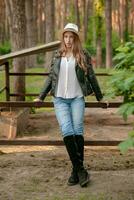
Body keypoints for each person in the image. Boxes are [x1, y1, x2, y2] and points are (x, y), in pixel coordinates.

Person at [34, 23, 103, 187]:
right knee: (67, 130)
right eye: (66, 36)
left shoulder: (83, 55)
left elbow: (92, 77)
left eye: (71, 37)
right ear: (63, 38)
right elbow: (51, 77)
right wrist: (41, 97)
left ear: (76, 38)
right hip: (60, 99)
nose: (68, 40)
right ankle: (80, 170)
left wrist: (100, 97)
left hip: (77, 98)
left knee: (77, 130)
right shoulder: (57, 55)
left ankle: (75, 171)